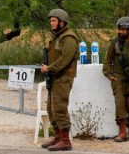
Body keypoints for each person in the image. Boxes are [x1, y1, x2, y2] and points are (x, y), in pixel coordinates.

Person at [41, 9, 79, 151]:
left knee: (60, 108)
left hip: (63, 77)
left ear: (62, 22)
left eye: (54, 20)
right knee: (51, 109)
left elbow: (65, 60)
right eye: (50, 20)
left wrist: (49, 68)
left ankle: (65, 141)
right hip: (55, 77)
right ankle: (58, 137)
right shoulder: (58, 37)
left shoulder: (69, 38)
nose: (51, 23)